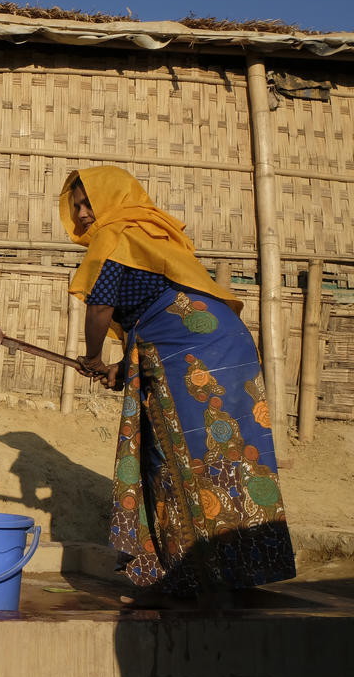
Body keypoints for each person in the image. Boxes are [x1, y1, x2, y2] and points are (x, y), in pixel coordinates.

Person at [61, 165, 294, 606]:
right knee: (231, 454)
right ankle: (236, 572)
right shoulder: (149, 233)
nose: (83, 214)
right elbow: (154, 310)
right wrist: (123, 367)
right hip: (220, 342)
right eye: (76, 207)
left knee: (178, 454)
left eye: (89, 203)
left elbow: (100, 310)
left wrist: (92, 358)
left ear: (112, 200)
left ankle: (191, 577)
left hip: (195, 351)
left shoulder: (116, 236)